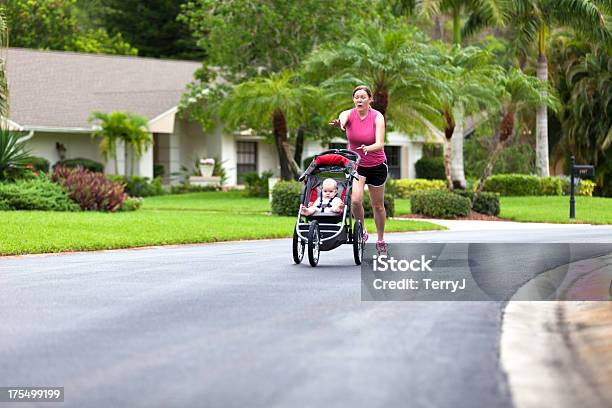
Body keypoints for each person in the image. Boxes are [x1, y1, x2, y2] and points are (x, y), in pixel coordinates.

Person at [329, 85, 388, 254]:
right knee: (355, 201)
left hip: (376, 165)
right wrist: (341, 123)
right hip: (357, 165)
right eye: (356, 97)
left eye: (363, 97)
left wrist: (369, 148)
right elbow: (343, 117)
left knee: (378, 206)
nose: (359, 100)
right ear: (353, 99)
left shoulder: (377, 117)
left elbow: (380, 144)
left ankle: (381, 238)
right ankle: (361, 230)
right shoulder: (350, 114)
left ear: (370, 99)